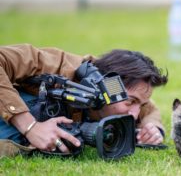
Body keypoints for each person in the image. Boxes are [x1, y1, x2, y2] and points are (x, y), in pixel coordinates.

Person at [0, 44, 168, 156]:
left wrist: (154, 130)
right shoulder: (58, 66)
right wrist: (31, 127)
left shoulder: (118, 89)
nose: (135, 115)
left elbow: (150, 109)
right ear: (106, 87)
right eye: (131, 102)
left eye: (140, 104)